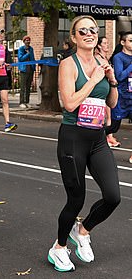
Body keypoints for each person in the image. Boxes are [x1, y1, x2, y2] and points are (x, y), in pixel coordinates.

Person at [48, 15, 120, 272]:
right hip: (73, 138)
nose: (89, 33)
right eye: (83, 31)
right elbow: (68, 103)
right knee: (75, 200)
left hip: (97, 138)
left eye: (93, 29)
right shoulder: (69, 64)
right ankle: (58, 248)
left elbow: (111, 103)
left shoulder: (102, 61)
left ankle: (83, 230)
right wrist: (93, 78)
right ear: (74, 37)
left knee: (113, 196)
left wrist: (111, 80)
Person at [106, 31, 132, 163]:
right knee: (114, 127)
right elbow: (120, 76)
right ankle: (97, 137)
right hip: (121, 97)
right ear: (123, 43)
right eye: (131, 41)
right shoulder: (119, 57)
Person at [94, 36, 120, 147]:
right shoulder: (97, 58)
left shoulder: (106, 58)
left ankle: (109, 137)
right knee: (107, 117)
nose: (107, 44)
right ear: (99, 45)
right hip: (103, 90)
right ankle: (105, 136)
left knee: (110, 114)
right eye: (104, 43)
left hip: (110, 88)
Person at [17, 35, 36, 109]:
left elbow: (33, 58)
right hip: (24, 70)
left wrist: (34, 67)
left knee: (28, 87)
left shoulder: (31, 49)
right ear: (24, 41)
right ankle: (21, 102)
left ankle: (27, 101)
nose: (28, 41)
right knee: (23, 87)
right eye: (26, 40)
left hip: (30, 69)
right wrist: (27, 54)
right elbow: (20, 58)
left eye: (29, 40)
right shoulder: (21, 49)